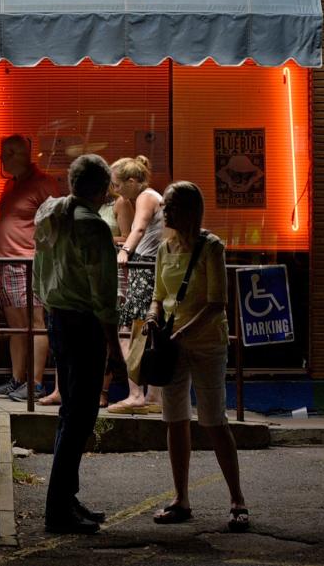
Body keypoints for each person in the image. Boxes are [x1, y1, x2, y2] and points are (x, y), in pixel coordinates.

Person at [145, 181, 250, 533]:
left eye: (172, 206)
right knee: (175, 420)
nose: (165, 212)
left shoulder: (211, 247)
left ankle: (237, 498)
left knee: (213, 420)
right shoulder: (166, 247)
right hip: (172, 344)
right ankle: (181, 498)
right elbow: (159, 294)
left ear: (190, 209)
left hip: (206, 344)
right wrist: (152, 317)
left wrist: (181, 333)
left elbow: (216, 303)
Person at [32, 154, 122, 534]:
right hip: (83, 324)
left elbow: (39, 272)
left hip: (57, 318)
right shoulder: (95, 228)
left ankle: (66, 498)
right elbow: (104, 296)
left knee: (70, 413)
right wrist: (115, 350)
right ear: (101, 190)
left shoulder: (49, 214)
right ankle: (58, 510)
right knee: (80, 417)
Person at [40, 190, 132, 407]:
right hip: (75, 271)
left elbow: (128, 236)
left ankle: (101, 390)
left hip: (109, 263)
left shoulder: (119, 204)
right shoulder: (69, 207)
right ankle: (59, 389)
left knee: (103, 326)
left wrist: (98, 236)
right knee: (64, 340)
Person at [0, 134, 60, 402]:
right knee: (15, 326)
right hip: (6, 263)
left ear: (23, 155)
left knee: (35, 323)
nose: (1, 158)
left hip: (29, 262)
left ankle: (36, 382)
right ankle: (18, 379)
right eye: (2, 152)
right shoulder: (11, 185)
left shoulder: (43, 183)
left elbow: (57, 221)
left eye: (7, 153)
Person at [108, 156, 165, 414]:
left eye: (118, 185)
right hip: (153, 265)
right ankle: (152, 395)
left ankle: (136, 394)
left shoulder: (145, 197)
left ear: (132, 181)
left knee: (128, 331)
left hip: (144, 266)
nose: (115, 190)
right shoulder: (150, 196)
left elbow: (139, 229)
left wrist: (125, 251)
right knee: (148, 332)